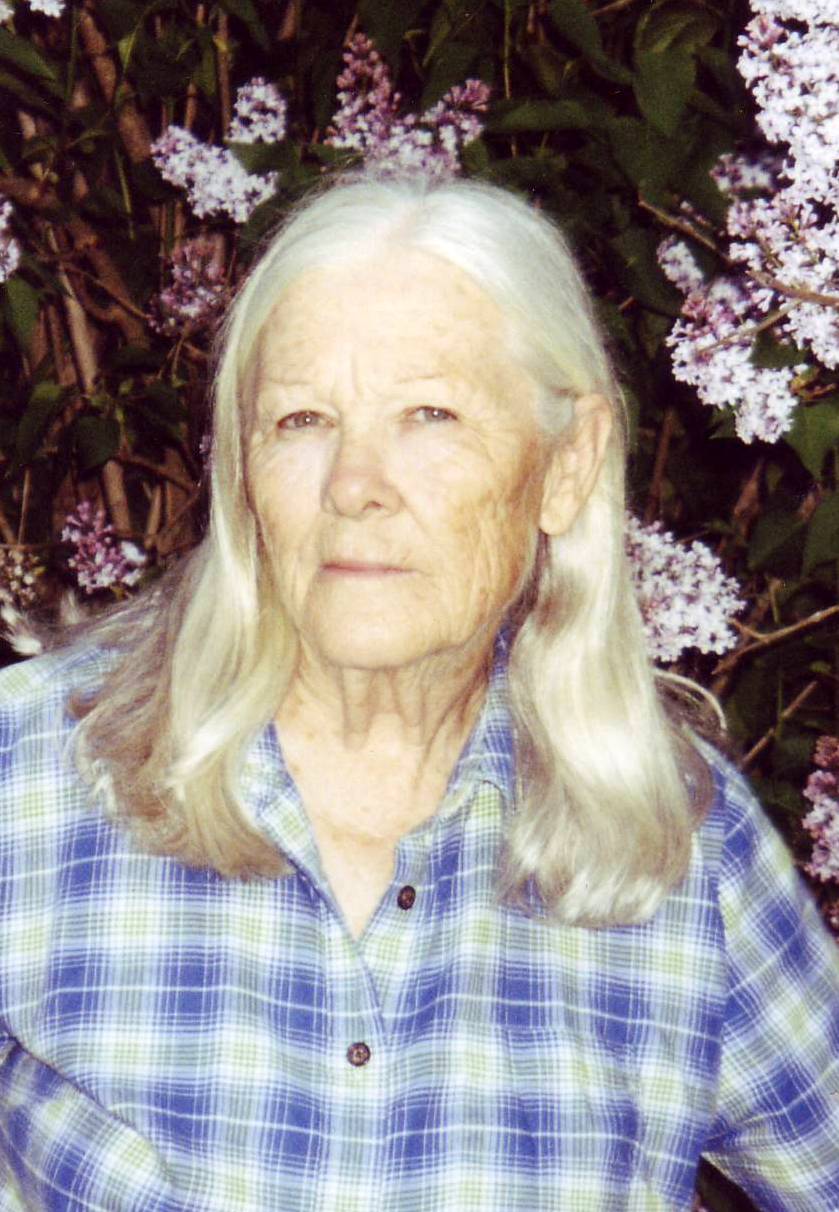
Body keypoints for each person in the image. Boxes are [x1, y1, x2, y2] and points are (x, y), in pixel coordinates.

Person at [0, 172, 837, 1212]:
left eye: (429, 415)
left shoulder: (679, 847)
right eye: (301, 419)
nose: (354, 485)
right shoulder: (34, 774)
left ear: (565, 465)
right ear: (243, 466)